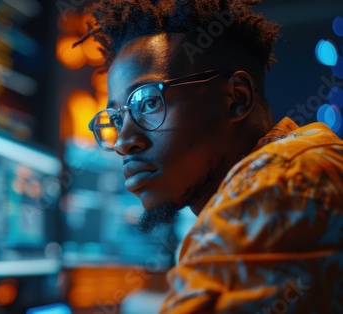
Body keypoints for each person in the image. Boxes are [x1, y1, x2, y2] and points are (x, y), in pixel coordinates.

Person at [75, 0, 343, 312]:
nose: (123, 142)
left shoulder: (279, 184)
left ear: (237, 98)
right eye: (117, 119)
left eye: (148, 103)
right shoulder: (296, 158)